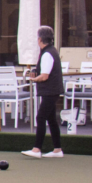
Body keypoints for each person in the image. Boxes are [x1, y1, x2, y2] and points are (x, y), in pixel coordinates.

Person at [21, 26, 65, 159]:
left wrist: (34, 79)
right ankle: (57, 150)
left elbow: (45, 76)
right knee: (51, 119)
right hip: (52, 90)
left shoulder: (47, 53)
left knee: (40, 117)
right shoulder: (51, 51)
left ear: (39, 39)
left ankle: (36, 149)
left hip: (50, 91)